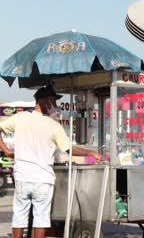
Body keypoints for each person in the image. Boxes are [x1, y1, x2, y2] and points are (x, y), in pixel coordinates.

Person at [0, 85, 102, 238]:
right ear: (46, 102)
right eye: (54, 102)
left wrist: (6, 150)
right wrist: (91, 152)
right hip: (43, 179)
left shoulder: (20, 118)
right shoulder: (54, 126)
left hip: (23, 177)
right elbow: (69, 149)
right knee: (41, 218)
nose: (56, 106)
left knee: (19, 216)